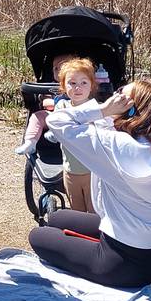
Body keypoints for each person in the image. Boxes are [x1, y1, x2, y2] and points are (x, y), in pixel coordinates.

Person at [28, 80, 151, 288]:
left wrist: (103, 109)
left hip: (121, 263)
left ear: (130, 111)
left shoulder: (115, 145)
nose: (114, 97)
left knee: (38, 236)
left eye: (121, 96)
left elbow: (56, 121)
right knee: (57, 217)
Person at [53, 58, 99, 213]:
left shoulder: (96, 109)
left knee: (94, 211)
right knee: (77, 210)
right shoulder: (61, 107)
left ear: (91, 85)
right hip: (70, 170)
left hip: (92, 172)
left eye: (83, 83)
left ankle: (95, 237)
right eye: (72, 83)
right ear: (63, 86)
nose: (77, 88)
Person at [14, 53, 75, 155]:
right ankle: (30, 142)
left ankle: (56, 132)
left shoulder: (78, 85)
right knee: (37, 117)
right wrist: (57, 103)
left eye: (63, 68)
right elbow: (46, 102)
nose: (58, 71)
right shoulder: (50, 85)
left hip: (74, 118)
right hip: (52, 115)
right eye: (55, 69)